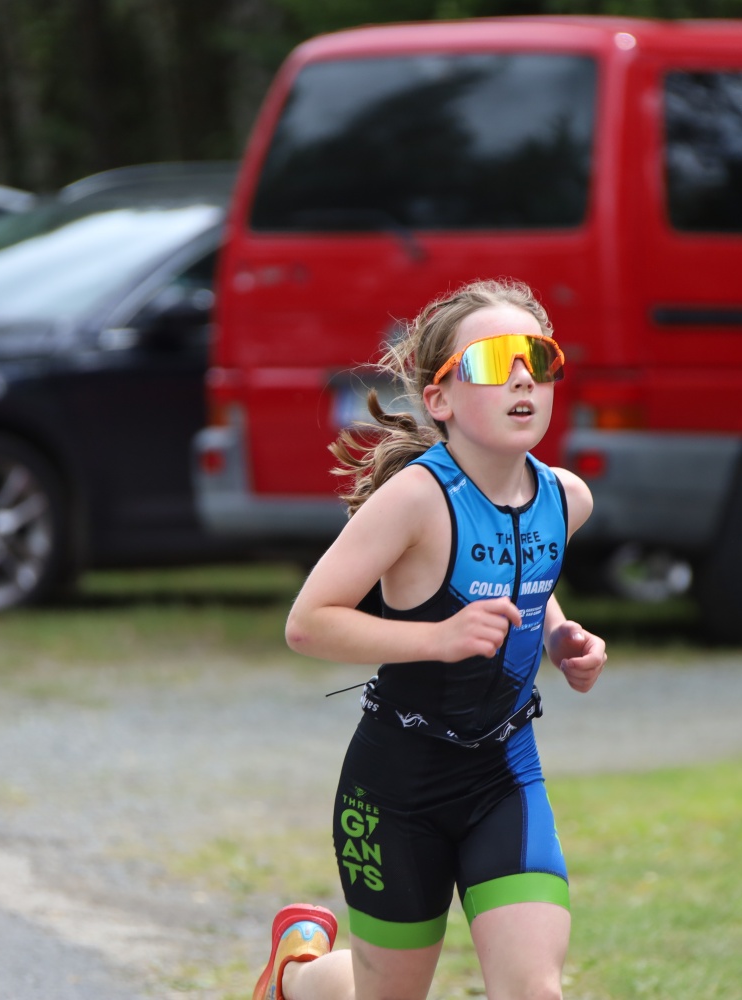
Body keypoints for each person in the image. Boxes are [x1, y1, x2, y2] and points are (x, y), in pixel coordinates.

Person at [252, 278, 608, 1000]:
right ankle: (299, 977)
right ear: (440, 399)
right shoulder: (416, 499)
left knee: (535, 991)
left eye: (538, 359)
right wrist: (439, 638)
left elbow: (526, 572)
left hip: (504, 773)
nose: (522, 379)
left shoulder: (566, 499)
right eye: (494, 361)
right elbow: (308, 622)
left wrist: (559, 634)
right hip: (398, 785)